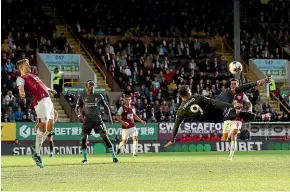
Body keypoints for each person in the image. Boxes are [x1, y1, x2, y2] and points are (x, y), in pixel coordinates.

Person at [164, 85, 238, 147]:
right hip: (219, 113)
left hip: (214, 120)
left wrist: (172, 140)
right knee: (225, 94)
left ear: (180, 96)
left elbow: (176, 126)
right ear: (189, 92)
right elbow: (215, 103)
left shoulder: (180, 111)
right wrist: (231, 106)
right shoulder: (197, 97)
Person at [16, 59, 56, 168]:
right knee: (43, 127)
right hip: (40, 101)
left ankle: (35, 147)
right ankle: (37, 154)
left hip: (48, 100)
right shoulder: (22, 78)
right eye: (26, 64)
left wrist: (50, 89)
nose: (29, 65)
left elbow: (42, 86)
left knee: (50, 126)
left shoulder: (33, 75)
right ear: (21, 68)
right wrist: (21, 91)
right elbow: (20, 85)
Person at [75, 80, 118, 164]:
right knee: (84, 138)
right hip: (87, 121)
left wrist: (110, 117)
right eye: (90, 86)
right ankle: (85, 159)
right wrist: (79, 116)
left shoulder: (98, 96)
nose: (92, 88)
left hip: (98, 121)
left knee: (105, 138)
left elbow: (106, 107)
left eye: (93, 86)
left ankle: (114, 157)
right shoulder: (82, 96)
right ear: (87, 87)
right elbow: (77, 108)